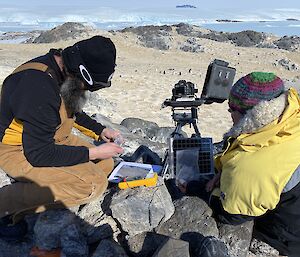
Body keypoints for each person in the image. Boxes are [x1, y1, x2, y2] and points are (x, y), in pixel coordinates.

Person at [0, 35, 124, 226]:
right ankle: (8, 205)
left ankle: (51, 185)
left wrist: (100, 131)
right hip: (18, 149)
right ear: (81, 72)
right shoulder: (38, 87)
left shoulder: (64, 71)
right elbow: (39, 154)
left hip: (54, 137)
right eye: (88, 86)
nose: (86, 90)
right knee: (92, 185)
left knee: (105, 164)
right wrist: (93, 152)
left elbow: (71, 110)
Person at [179, 72, 300, 256]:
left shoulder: (253, 165)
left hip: (286, 241)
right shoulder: (290, 119)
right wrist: (230, 170)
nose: (230, 116)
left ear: (249, 115)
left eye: (231, 110)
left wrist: (199, 190)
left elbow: (231, 214)